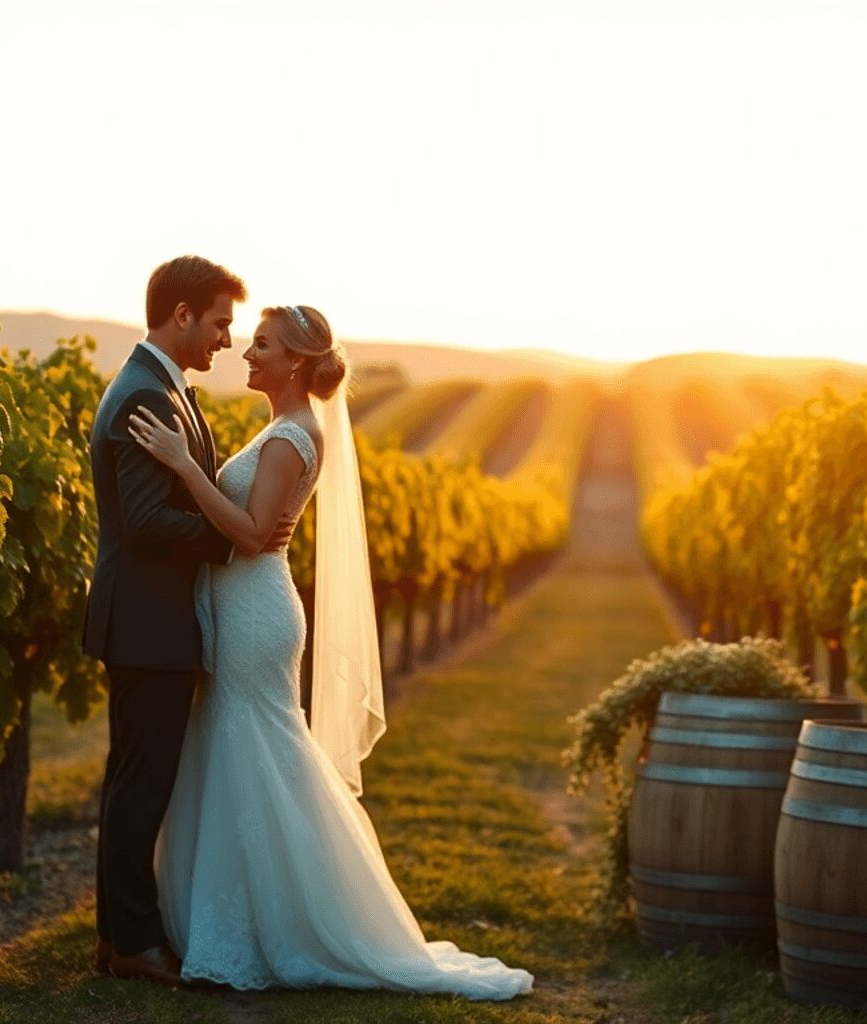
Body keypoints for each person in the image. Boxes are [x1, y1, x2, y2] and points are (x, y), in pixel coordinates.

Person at [126, 304, 534, 1000]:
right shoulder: (285, 430)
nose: (247, 354)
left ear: (295, 364)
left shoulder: (291, 438)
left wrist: (185, 469)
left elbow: (253, 537)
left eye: (262, 346)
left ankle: (287, 924)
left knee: (256, 749)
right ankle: (245, 917)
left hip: (257, 613)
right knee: (242, 751)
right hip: (247, 607)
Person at [82, 255, 291, 986]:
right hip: (148, 623)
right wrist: (241, 539)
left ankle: (118, 937)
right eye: (220, 323)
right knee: (143, 784)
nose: (227, 341)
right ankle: (135, 942)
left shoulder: (164, 388)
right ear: (181, 316)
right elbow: (144, 521)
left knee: (134, 780)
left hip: (151, 621)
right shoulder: (145, 395)